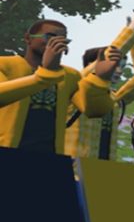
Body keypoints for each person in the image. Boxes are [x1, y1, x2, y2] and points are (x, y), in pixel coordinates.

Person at [0, 19, 122, 155]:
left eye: (63, 39)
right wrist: (46, 73)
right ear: (28, 38)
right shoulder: (4, 65)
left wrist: (100, 79)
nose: (57, 43)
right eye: (50, 37)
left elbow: (94, 110)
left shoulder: (70, 75)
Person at [68, 11, 134, 160]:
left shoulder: (115, 99)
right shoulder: (74, 87)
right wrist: (131, 31)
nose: (119, 71)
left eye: (122, 66)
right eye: (115, 65)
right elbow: (96, 68)